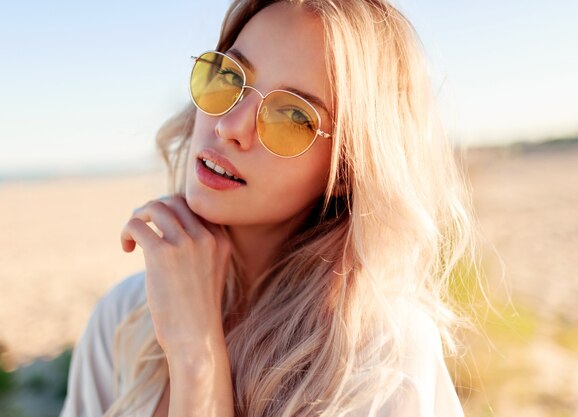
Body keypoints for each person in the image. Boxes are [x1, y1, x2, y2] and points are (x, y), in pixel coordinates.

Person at [60, 0, 477, 416]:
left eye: (293, 116)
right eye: (229, 77)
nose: (229, 126)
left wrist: (196, 357)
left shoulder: (383, 362)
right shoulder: (127, 315)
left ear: (348, 169)